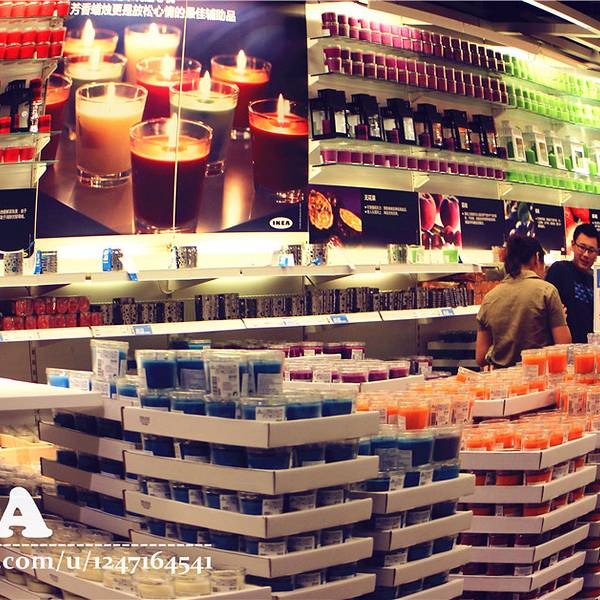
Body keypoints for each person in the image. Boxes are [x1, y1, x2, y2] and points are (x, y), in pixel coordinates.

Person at [476, 235, 572, 368]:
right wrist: (560, 319)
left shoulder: (489, 298)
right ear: (536, 258)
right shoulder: (547, 291)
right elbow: (564, 346)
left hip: (503, 378)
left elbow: (481, 358)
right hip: (538, 376)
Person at [545, 223, 599, 343]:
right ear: (573, 245)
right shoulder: (559, 270)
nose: (586, 254)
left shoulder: (595, 279)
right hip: (566, 346)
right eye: (582, 247)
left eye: (591, 250)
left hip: (592, 347)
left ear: (597, 253)